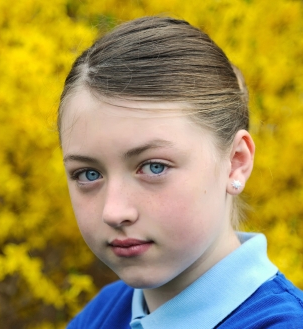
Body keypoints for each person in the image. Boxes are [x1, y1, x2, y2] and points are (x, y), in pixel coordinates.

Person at [57, 16, 303, 328]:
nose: (114, 212)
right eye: (89, 174)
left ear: (236, 161)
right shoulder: (104, 312)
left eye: (153, 167)